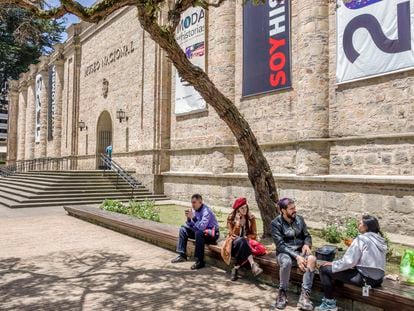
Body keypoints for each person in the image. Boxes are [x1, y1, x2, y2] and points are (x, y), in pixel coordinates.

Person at [315, 215, 387, 311]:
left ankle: (329, 303)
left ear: (366, 227)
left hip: (365, 279)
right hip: (378, 280)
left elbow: (349, 261)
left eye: (360, 223)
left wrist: (333, 264)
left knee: (324, 269)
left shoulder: (362, 239)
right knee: (340, 270)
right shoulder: (380, 240)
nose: (358, 225)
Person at [271, 198, 316, 311]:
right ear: (283, 210)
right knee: (287, 262)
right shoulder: (275, 223)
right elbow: (280, 245)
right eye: (291, 209)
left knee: (312, 259)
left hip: (300, 252)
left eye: (294, 208)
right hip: (284, 253)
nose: (294, 210)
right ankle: (282, 294)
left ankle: (304, 297)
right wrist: (297, 257)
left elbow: (307, 236)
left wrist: (306, 244)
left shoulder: (300, 219)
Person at [171, 194, 220, 270]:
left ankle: (200, 261)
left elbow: (202, 227)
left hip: (212, 234)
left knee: (198, 233)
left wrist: (193, 217)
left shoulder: (206, 211)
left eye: (194, 202)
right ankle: (182, 255)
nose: (192, 205)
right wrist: (188, 218)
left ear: (200, 202)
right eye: (192, 202)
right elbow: (190, 225)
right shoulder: (193, 209)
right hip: (201, 232)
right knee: (183, 229)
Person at [221, 197, 263, 281]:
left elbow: (254, 234)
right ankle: (253, 264)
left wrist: (246, 237)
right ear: (237, 210)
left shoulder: (251, 218)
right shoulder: (231, 218)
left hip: (246, 243)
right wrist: (237, 223)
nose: (244, 210)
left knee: (243, 242)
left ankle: (235, 268)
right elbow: (232, 235)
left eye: (245, 207)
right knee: (241, 241)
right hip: (233, 243)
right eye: (242, 208)